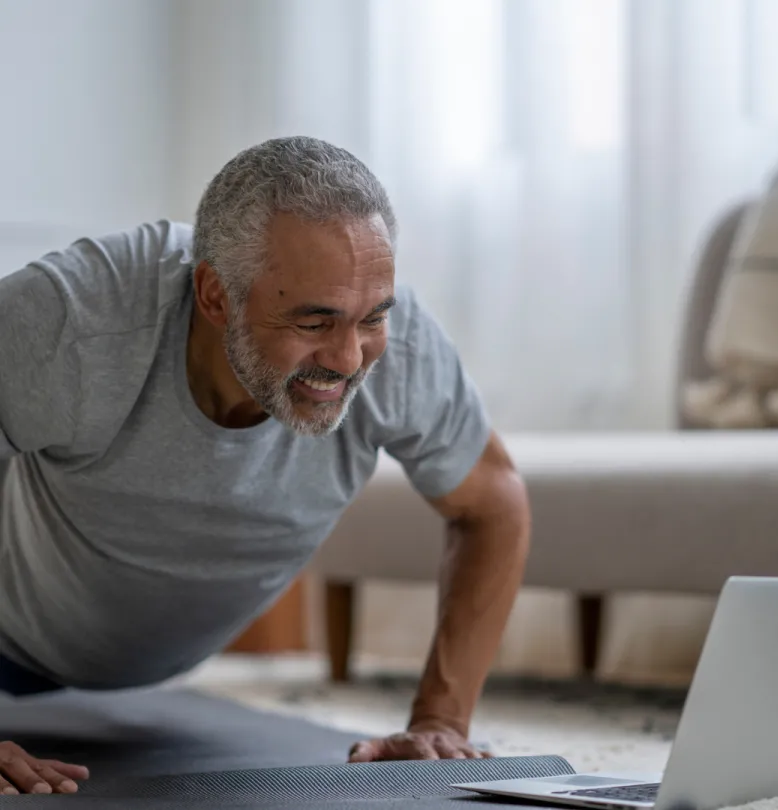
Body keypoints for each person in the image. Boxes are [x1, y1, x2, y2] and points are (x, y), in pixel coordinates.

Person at [0, 136, 530, 795]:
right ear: (215, 296)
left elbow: (494, 502)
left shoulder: (402, 352)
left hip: (150, 673)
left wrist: (441, 721)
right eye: (314, 323)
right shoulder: (74, 318)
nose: (347, 358)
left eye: (372, 318)